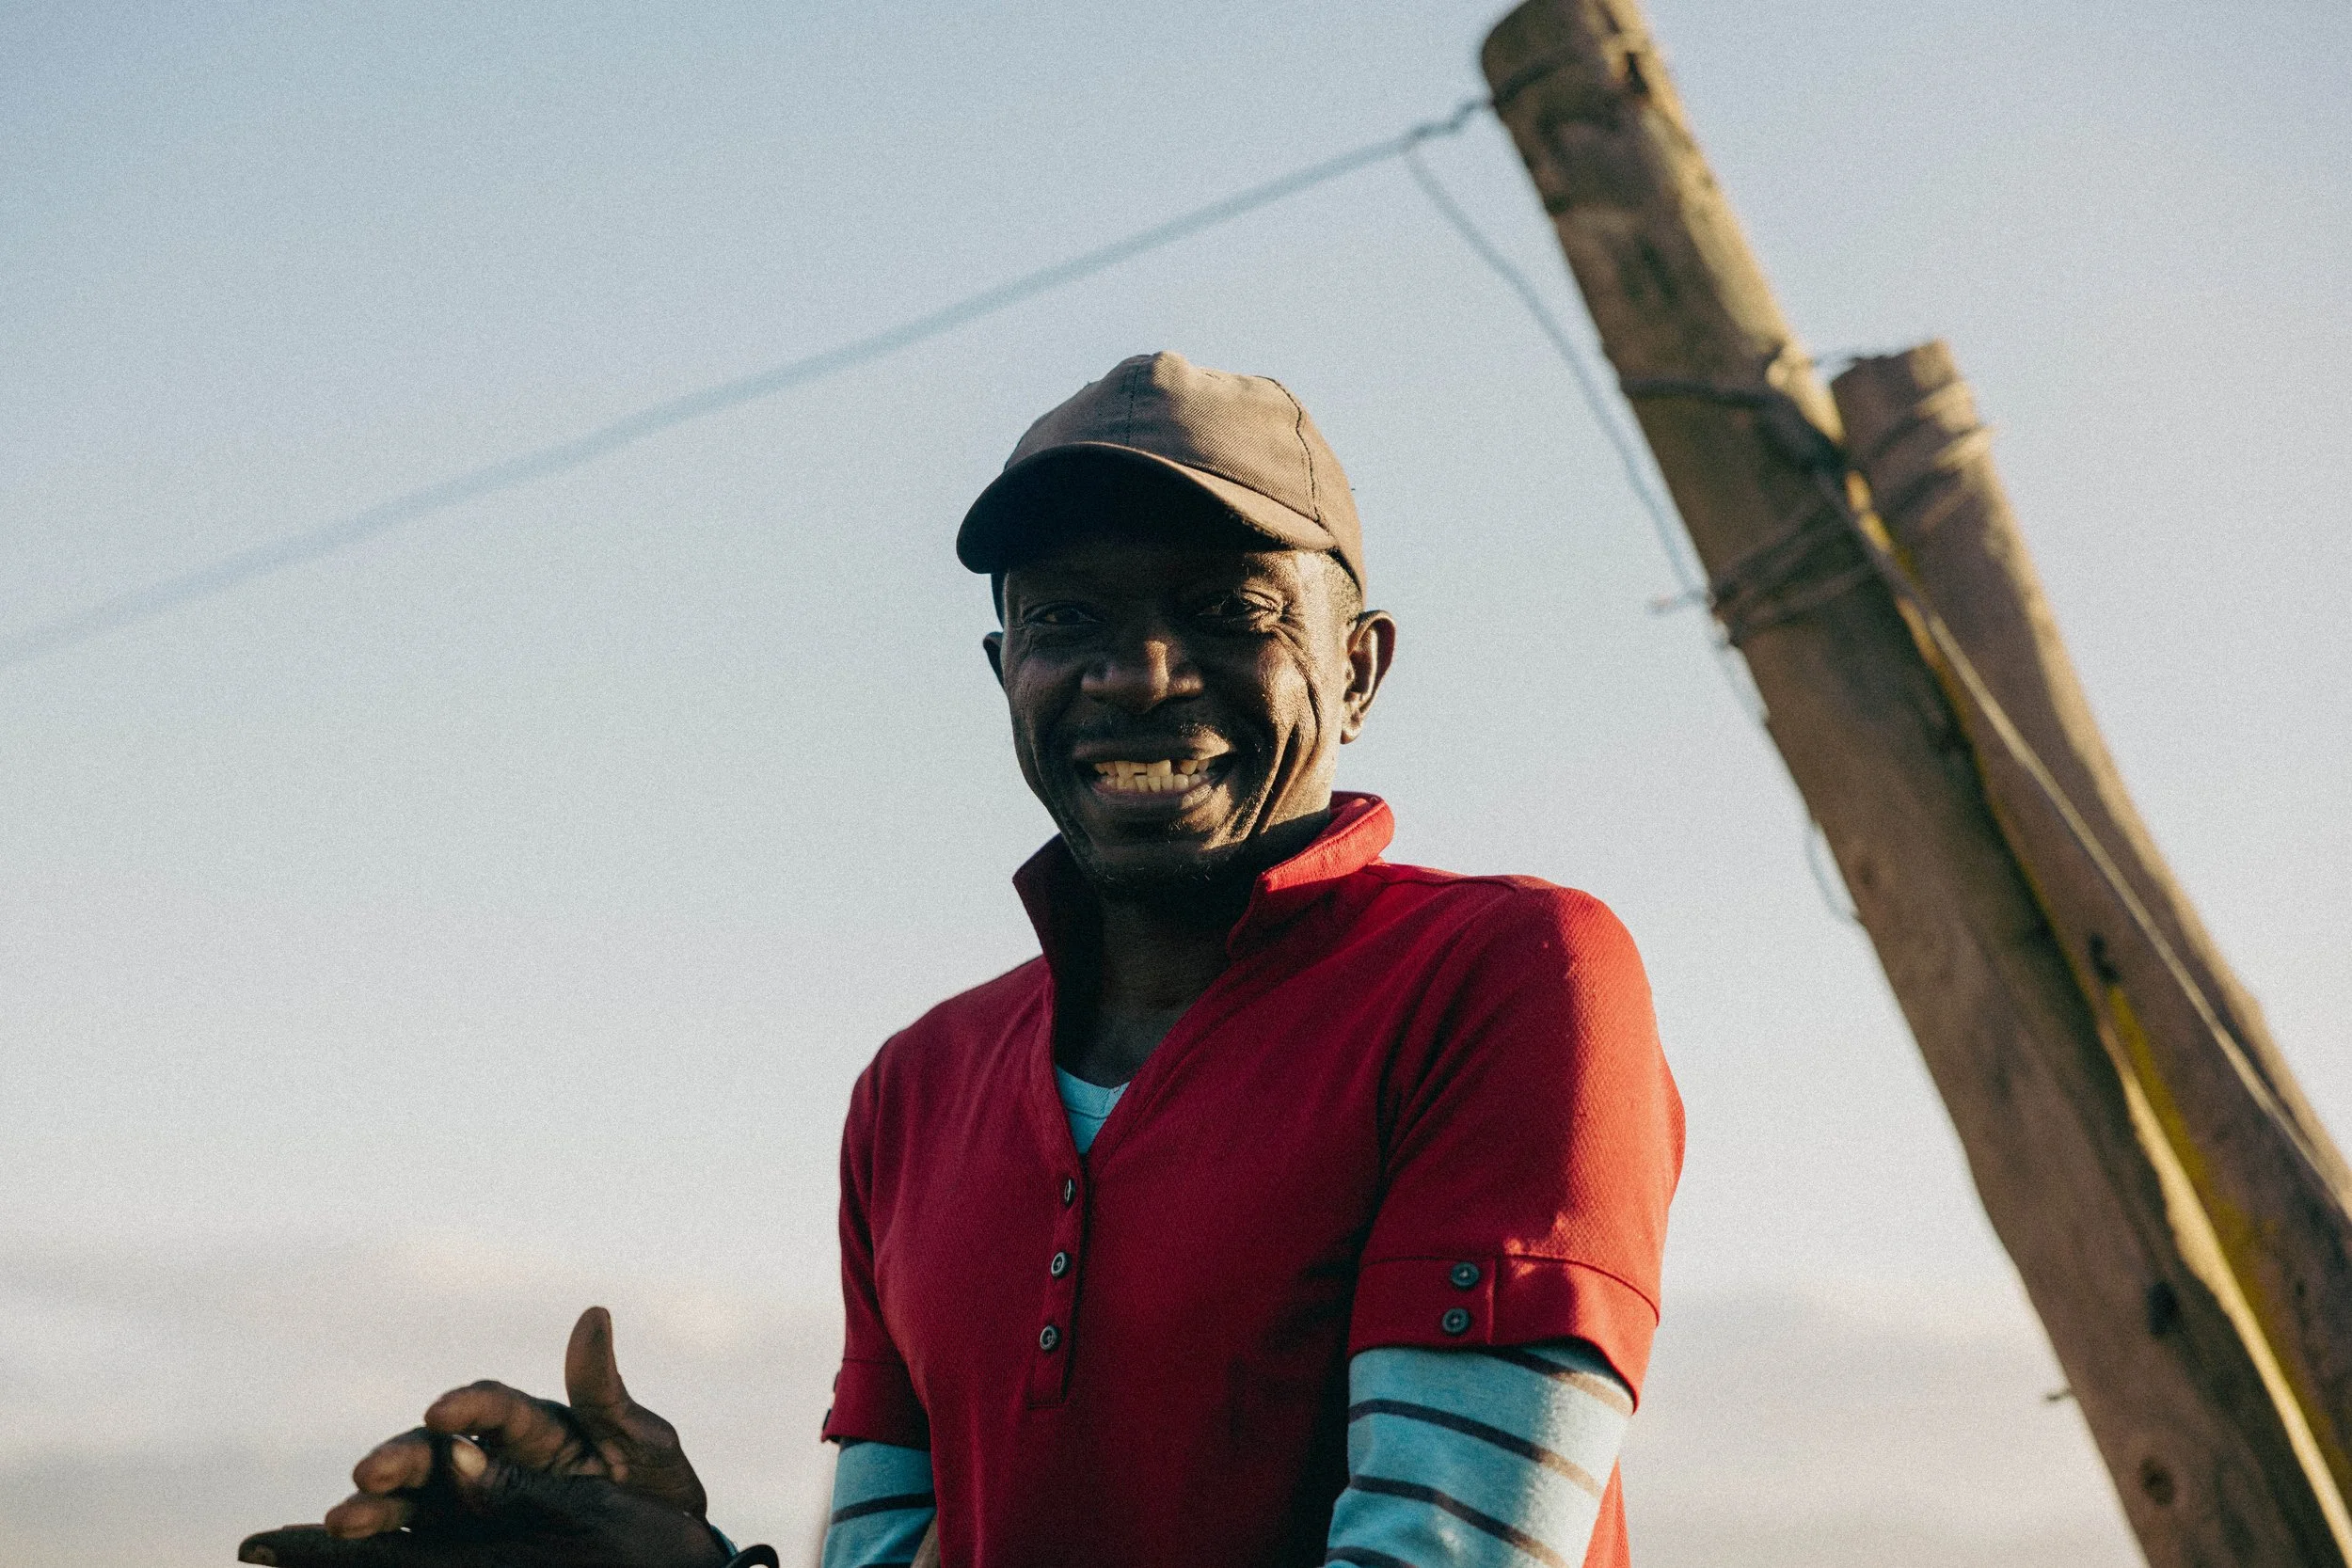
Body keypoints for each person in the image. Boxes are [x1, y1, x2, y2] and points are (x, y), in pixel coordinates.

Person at [239, 352, 1682, 1568]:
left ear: (1357, 668)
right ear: (1004, 673)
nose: (1140, 674)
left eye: (1227, 611)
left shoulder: (1509, 978)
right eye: (1068, 621)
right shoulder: (913, 1090)